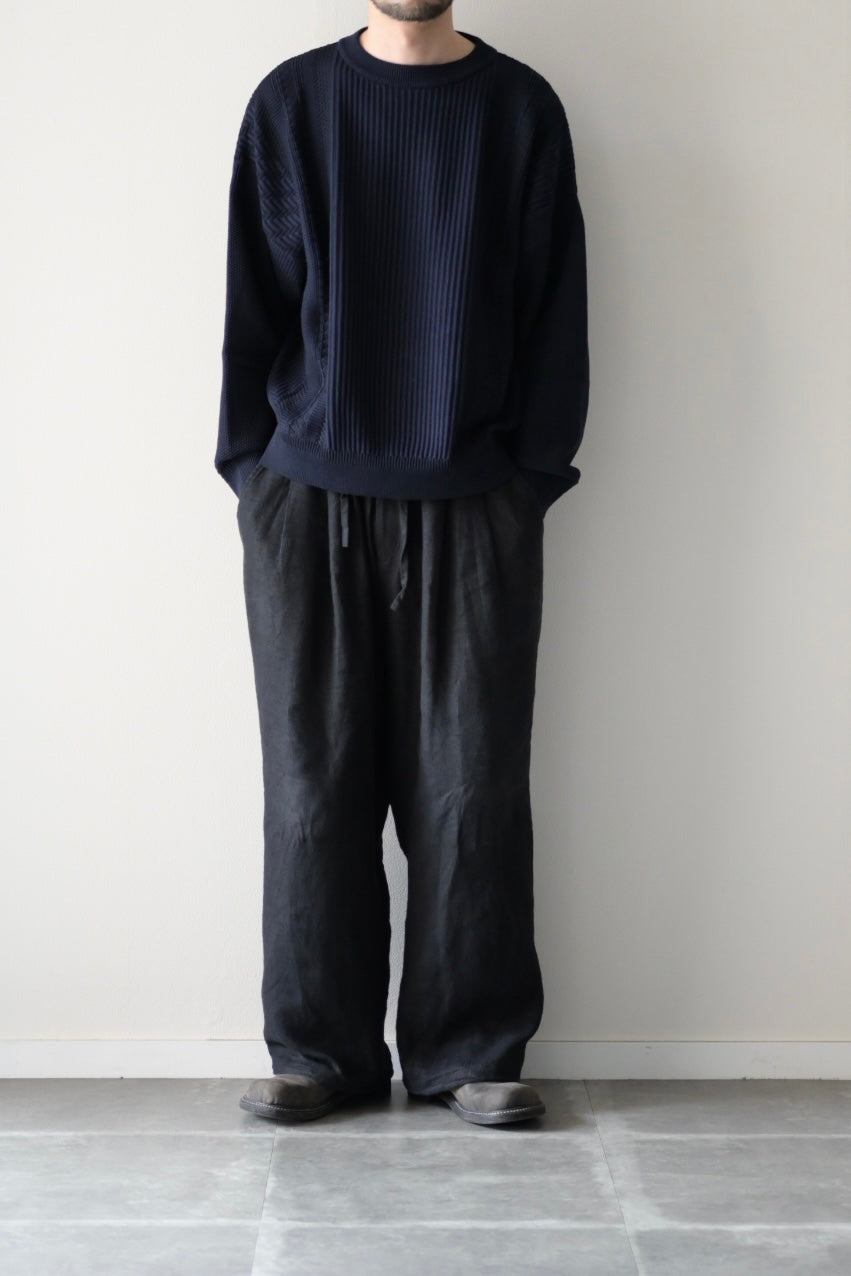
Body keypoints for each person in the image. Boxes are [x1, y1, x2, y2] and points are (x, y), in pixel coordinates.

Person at [215, 0, 590, 1128]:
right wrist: (255, 476)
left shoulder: (518, 109)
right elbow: (250, 304)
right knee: (311, 792)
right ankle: (317, 1052)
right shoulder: (292, 104)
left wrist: (525, 483)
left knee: (473, 791)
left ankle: (470, 1051)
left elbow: (555, 311)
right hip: (307, 498)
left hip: (474, 502)